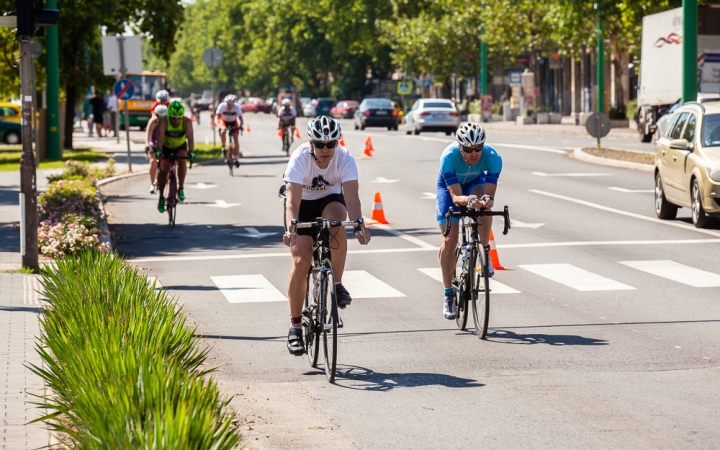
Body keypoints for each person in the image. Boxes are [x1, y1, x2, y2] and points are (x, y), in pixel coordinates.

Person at [281, 116, 371, 355]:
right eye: (319, 144)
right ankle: (295, 327)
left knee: (337, 221)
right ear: (310, 143)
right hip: (302, 205)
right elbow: (292, 201)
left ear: (336, 143)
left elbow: (351, 198)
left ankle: (337, 283)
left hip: (329, 201)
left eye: (330, 144)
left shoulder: (344, 158)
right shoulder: (299, 159)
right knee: (301, 263)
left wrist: (359, 224)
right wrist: (291, 228)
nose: (325, 149)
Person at [436, 122, 502, 320]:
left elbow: (489, 193)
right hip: (451, 189)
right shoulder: (448, 157)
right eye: (468, 149)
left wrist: (486, 200)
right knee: (450, 240)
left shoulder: (493, 158)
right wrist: (469, 200)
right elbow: (456, 198)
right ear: (460, 147)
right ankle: (448, 294)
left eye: (478, 148)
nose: (474, 153)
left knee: (484, 205)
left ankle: (484, 251)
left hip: (475, 183)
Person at [156, 101, 194, 213]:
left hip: (180, 146)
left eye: (179, 118)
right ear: (169, 116)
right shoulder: (164, 121)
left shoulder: (187, 122)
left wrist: (191, 152)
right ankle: (161, 197)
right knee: (163, 170)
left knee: (183, 160)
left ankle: (181, 188)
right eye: (173, 118)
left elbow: (190, 139)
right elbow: (160, 138)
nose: (176, 121)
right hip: (166, 147)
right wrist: (158, 152)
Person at [144, 105, 168, 194]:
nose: (161, 119)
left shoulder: (169, 122)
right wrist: (147, 144)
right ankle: (152, 183)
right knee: (153, 161)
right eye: (159, 116)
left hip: (164, 142)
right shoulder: (153, 121)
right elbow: (148, 135)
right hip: (154, 142)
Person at [215, 95, 244, 167]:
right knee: (223, 131)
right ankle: (223, 147)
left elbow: (240, 119)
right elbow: (216, 118)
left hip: (233, 122)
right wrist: (219, 126)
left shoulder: (237, 107)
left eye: (230, 105)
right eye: (227, 104)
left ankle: (236, 158)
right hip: (224, 121)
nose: (229, 106)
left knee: (236, 138)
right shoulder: (221, 106)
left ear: (234, 104)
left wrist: (240, 126)